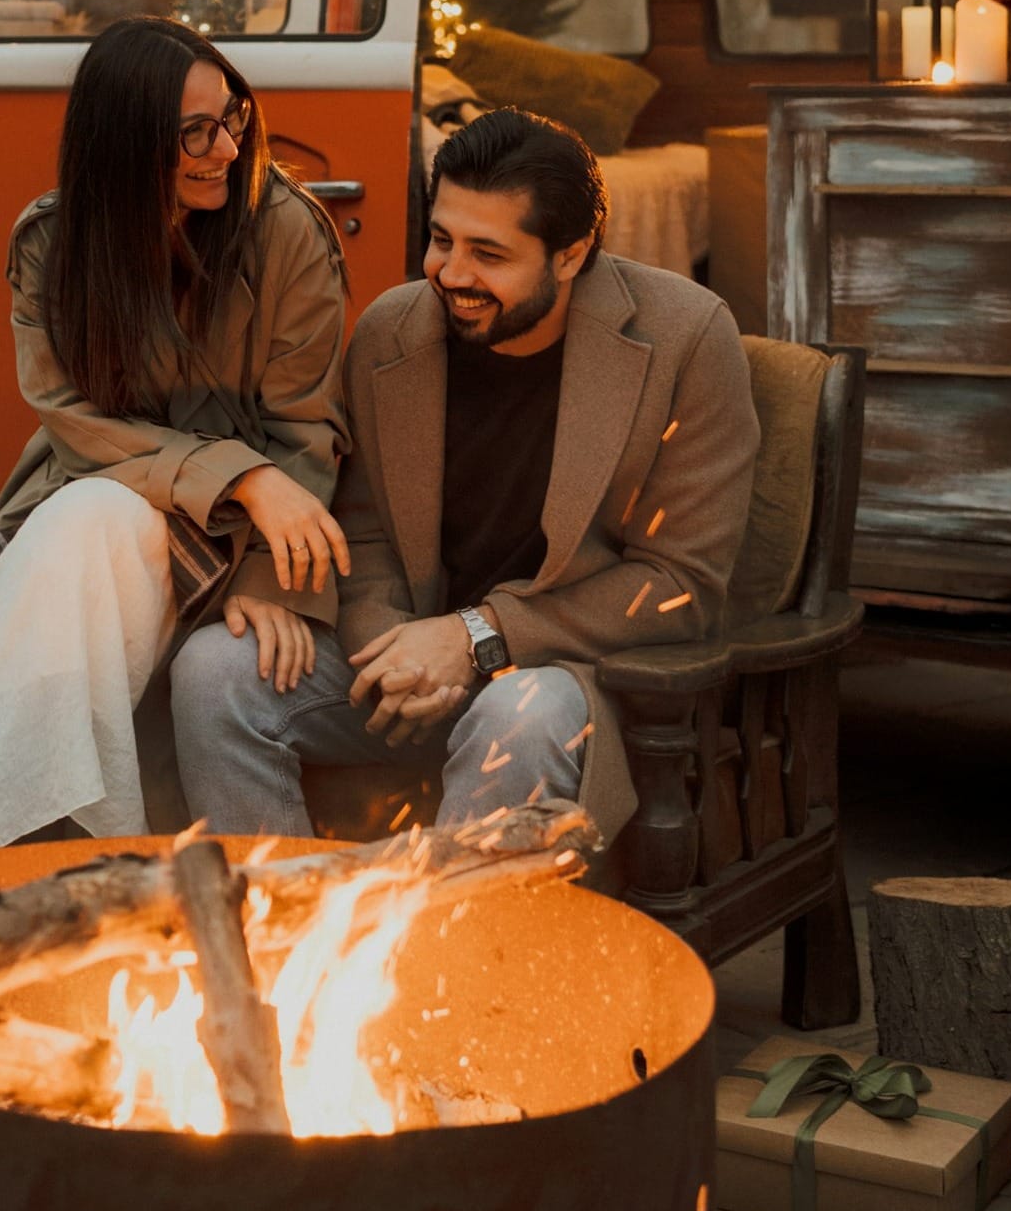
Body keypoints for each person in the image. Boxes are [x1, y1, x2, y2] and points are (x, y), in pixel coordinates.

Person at [0, 16, 351, 878]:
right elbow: (72, 418)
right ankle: (55, 859)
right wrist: (241, 476)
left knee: (86, 532)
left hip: (235, 534)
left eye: (233, 116)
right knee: (90, 519)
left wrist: (274, 576)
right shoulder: (52, 242)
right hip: (97, 490)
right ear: (123, 142)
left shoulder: (285, 230)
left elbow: (309, 428)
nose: (228, 149)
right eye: (194, 132)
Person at [171, 107, 760, 843]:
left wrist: (478, 636)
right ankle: (276, 909)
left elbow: (680, 584)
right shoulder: (390, 330)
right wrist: (398, 654)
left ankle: (460, 920)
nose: (451, 274)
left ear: (571, 255)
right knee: (213, 671)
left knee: (520, 712)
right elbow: (365, 531)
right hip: (413, 658)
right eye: (442, 239)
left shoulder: (687, 336)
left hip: (572, 676)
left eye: (489, 253)